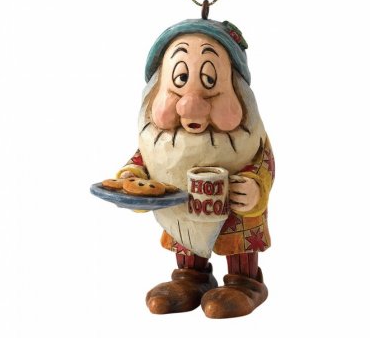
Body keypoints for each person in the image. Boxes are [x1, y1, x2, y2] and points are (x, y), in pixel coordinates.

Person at [116, 18, 275, 318]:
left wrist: (255, 187)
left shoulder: (249, 138)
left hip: (234, 212)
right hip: (182, 208)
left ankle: (245, 282)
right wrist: (131, 177)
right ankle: (190, 278)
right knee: (184, 233)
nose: (191, 104)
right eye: (179, 79)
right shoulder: (158, 141)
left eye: (210, 80)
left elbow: (263, 163)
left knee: (238, 238)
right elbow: (143, 160)